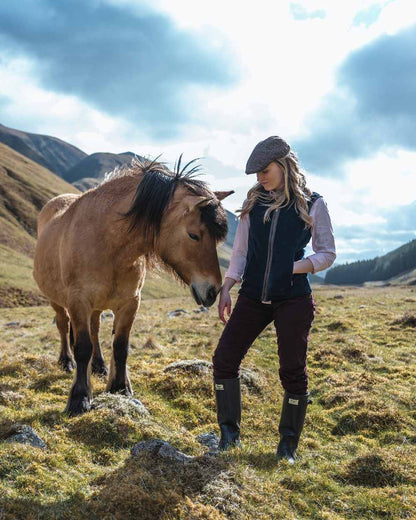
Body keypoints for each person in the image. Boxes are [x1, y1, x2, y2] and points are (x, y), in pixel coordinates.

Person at [212, 136, 336, 464]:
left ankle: (287, 447)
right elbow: (239, 252)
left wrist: (295, 267)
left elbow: (327, 253)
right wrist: (227, 286)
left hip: (293, 299)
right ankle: (229, 436)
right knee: (224, 359)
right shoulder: (255, 203)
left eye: (265, 171)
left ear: (283, 166)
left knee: (292, 371)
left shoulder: (313, 203)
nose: (260, 179)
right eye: (256, 175)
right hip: (252, 295)